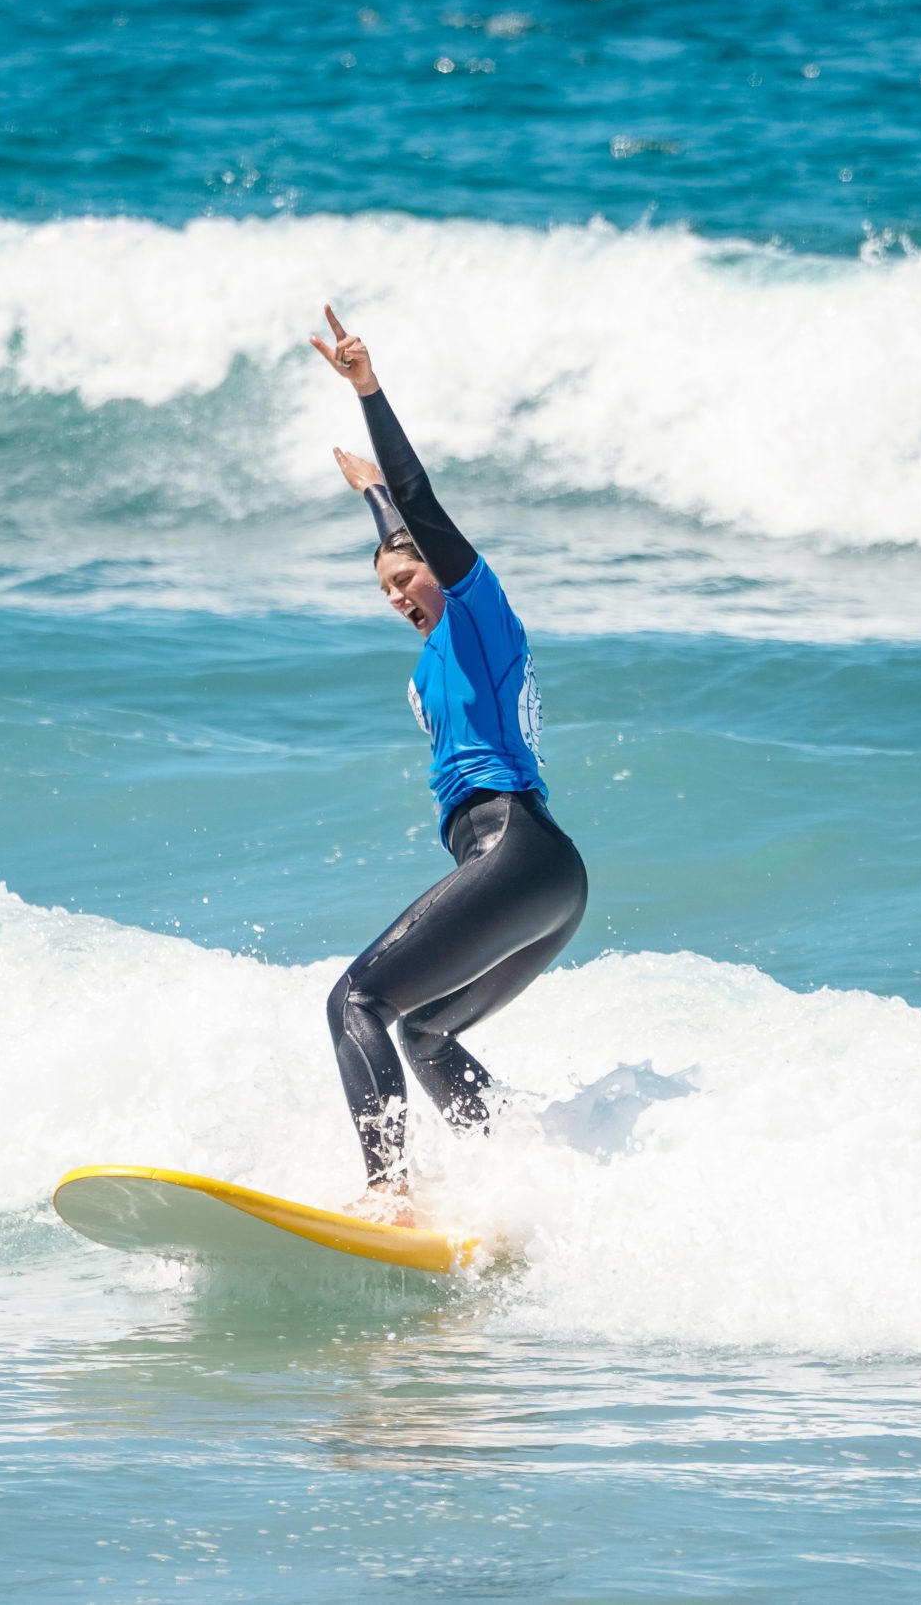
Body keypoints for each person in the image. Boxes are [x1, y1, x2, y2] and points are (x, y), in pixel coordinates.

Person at [308, 306, 588, 1222]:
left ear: (445, 573)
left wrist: (367, 392)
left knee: (356, 1000)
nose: (397, 597)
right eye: (385, 589)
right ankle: (524, 1186)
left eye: (406, 580)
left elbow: (424, 515)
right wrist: (371, 505)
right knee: (427, 1033)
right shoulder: (442, 645)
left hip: (516, 848)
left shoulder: (480, 611)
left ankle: (389, 1187)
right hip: (544, 878)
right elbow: (406, 529)